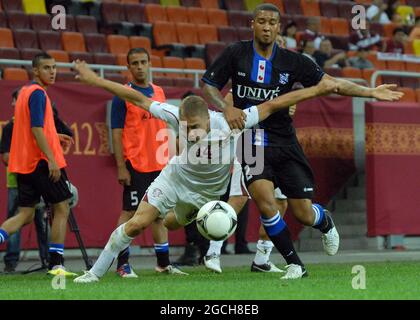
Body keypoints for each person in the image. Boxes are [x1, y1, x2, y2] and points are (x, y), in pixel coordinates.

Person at [72, 59, 342, 283]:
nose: (191, 133)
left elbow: (273, 105)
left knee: (172, 223)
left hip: (207, 196)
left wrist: (319, 89)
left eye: (196, 127)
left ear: (206, 118)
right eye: (187, 128)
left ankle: (251, 252)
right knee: (137, 223)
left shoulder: (228, 122)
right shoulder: (175, 114)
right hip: (175, 179)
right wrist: (94, 79)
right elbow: (135, 97)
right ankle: (94, 273)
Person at [201, 3, 403, 279]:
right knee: (265, 202)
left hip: (285, 142)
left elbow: (330, 84)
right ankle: (295, 264)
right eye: (262, 21)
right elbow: (209, 85)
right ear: (252, 24)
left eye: (272, 22)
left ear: (279, 27)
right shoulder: (236, 53)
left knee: (303, 214)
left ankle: (325, 221)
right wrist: (226, 107)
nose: (267, 27)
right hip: (251, 143)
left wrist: (370, 92)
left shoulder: (292, 61)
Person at [110, 47, 185, 277]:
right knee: (131, 213)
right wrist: (122, 166)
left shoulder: (159, 92)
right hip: (136, 164)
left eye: (144, 62)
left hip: (160, 164)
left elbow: (167, 126)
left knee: (160, 213)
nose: (140, 66)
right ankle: (122, 264)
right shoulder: (122, 94)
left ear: (149, 63)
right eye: (135, 63)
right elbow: (116, 132)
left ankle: (163, 264)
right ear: (128, 67)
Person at [0, 53, 76, 276]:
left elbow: (34, 129)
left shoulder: (24, 92)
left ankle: (54, 264)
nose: (52, 71)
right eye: (46, 68)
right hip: (41, 163)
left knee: (24, 215)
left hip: (24, 165)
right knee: (62, 207)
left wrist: (55, 137)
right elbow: (36, 129)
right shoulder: (38, 94)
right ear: (35, 71)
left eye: (54, 67)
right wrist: (52, 158)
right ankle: (56, 265)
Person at [0, 89, 49, 273]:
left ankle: (49, 260)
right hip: (16, 182)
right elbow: (5, 157)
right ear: (14, 103)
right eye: (17, 100)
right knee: (18, 221)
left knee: (42, 223)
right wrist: (26, 157)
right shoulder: (10, 127)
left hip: (39, 179)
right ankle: (11, 262)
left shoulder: (38, 124)